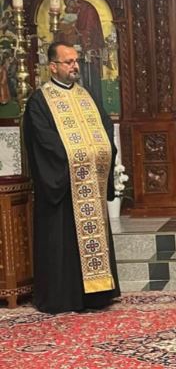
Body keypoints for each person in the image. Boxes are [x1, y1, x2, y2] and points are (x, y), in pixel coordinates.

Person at [23, 42, 120, 314]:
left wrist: (100, 152)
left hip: (90, 183)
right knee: (63, 240)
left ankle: (97, 294)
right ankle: (63, 297)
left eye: (76, 61)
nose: (75, 66)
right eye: (68, 62)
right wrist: (77, 157)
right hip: (63, 186)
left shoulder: (87, 96)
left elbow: (105, 127)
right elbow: (43, 141)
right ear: (52, 66)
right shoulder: (40, 101)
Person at [56, 0, 106, 106]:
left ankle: (95, 104)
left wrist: (80, 35)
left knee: (90, 79)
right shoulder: (72, 14)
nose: (70, 7)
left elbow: (90, 30)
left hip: (91, 52)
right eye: (68, 5)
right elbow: (64, 32)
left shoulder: (88, 10)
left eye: (71, 3)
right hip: (76, 55)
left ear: (76, 0)